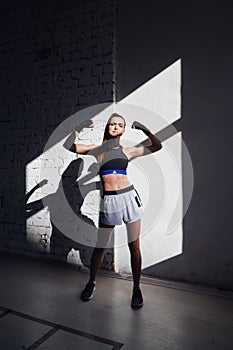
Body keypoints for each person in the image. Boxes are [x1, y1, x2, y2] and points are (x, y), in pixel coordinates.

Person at [71, 113, 162, 308]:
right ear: (108, 128)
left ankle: (137, 288)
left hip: (129, 197)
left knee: (134, 246)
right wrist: (78, 128)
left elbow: (157, 146)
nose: (115, 127)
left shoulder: (128, 151)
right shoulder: (98, 151)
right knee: (100, 246)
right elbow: (71, 147)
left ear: (123, 129)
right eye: (112, 124)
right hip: (110, 201)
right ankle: (91, 282)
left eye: (119, 124)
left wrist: (145, 130)